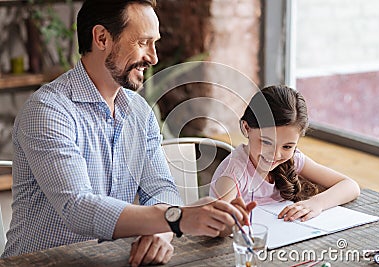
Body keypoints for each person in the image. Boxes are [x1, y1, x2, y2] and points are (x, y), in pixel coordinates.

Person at [2, 0, 255, 266]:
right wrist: (178, 218)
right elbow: (77, 207)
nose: (154, 57)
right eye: (143, 42)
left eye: (155, 43)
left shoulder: (138, 110)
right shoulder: (48, 110)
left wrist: (161, 232)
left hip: (114, 260)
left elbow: (161, 188)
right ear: (102, 38)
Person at [210, 85, 360, 233]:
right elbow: (215, 224)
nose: (275, 155)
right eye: (267, 142)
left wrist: (316, 203)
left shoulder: (294, 160)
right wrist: (232, 221)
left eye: (287, 147)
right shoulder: (233, 173)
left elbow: (350, 186)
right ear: (247, 127)